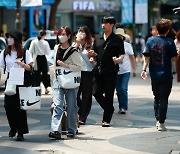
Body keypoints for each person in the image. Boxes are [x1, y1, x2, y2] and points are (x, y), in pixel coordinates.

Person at [141, 18, 177, 131]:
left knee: (157, 98)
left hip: (154, 75)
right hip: (166, 75)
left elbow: (146, 57)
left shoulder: (150, 41)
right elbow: (174, 59)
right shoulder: (170, 42)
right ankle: (161, 122)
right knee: (164, 98)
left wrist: (143, 70)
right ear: (167, 30)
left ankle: (157, 119)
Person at [49, 26, 82, 139]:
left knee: (71, 106)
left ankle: (71, 129)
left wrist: (65, 65)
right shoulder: (56, 47)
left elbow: (79, 67)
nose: (61, 36)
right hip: (58, 79)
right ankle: (55, 130)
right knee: (57, 105)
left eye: (63, 34)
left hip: (70, 80)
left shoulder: (74, 51)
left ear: (68, 36)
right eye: (60, 34)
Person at [0, 29, 33, 141]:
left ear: (16, 39)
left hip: (22, 80)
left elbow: (31, 67)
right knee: (8, 106)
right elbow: (2, 67)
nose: (9, 39)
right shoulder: (4, 53)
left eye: (11, 37)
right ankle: (13, 127)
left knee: (20, 108)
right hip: (10, 80)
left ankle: (21, 132)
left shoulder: (25, 52)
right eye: (8, 37)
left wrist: (22, 64)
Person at [93, 16, 125, 127]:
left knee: (109, 94)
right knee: (96, 93)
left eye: (106, 23)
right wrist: (92, 57)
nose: (103, 25)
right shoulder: (97, 38)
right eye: (102, 22)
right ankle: (109, 108)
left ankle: (106, 120)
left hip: (111, 71)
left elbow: (122, 54)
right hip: (99, 70)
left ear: (112, 25)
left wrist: (119, 59)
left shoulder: (117, 39)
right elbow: (95, 52)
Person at [73, 26, 95, 125]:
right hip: (76, 71)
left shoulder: (90, 45)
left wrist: (92, 58)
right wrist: (77, 44)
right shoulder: (75, 44)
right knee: (76, 95)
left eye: (83, 32)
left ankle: (82, 117)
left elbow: (94, 61)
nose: (81, 33)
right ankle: (81, 111)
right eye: (79, 31)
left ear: (87, 34)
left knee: (86, 95)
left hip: (87, 72)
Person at [115, 28, 136, 114]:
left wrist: (134, 69)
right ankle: (121, 106)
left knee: (123, 89)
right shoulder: (113, 45)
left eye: (120, 36)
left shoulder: (127, 45)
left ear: (123, 37)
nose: (119, 38)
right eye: (117, 36)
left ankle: (124, 107)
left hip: (125, 71)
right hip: (116, 71)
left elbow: (132, 57)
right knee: (119, 90)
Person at [29, 30, 50, 94]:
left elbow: (31, 50)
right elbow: (47, 52)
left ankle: (37, 89)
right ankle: (46, 88)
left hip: (36, 58)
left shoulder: (34, 41)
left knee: (36, 74)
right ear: (44, 35)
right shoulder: (45, 42)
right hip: (43, 58)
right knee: (45, 74)